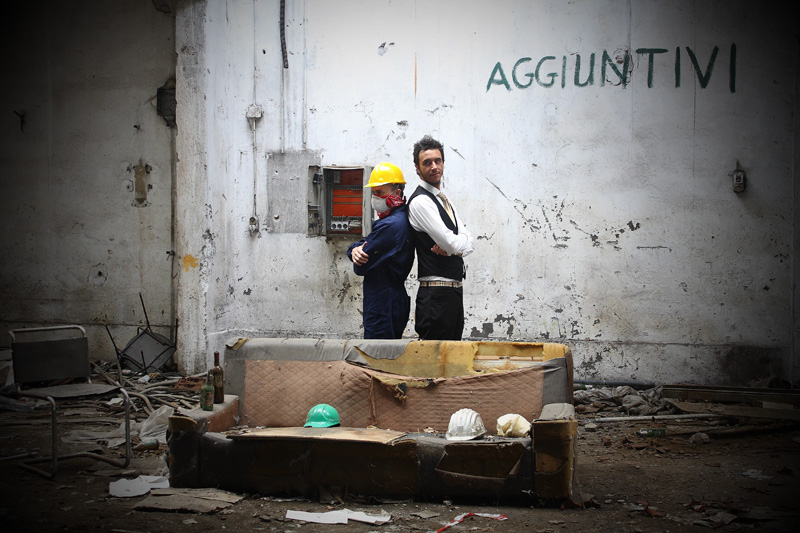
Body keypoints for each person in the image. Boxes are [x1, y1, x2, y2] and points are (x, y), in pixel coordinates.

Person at [406, 135, 474, 340]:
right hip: (436, 297)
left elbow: (469, 241)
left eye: (438, 161)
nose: (434, 166)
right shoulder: (421, 202)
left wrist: (458, 249)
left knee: (453, 356)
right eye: (427, 162)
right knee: (434, 357)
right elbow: (451, 242)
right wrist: (457, 246)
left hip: (452, 293)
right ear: (417, 168)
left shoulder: (443, 199)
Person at [346, 162, 415, 339]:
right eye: (374, 193)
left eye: (380, 192)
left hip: (382, 305)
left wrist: (355, 250)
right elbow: (364, 245)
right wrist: (354, 249)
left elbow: (360, 267)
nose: (375, 198)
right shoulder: (399, 218)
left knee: (377, 352)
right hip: (392, 300)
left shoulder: (389, 226)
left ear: (397, 193)